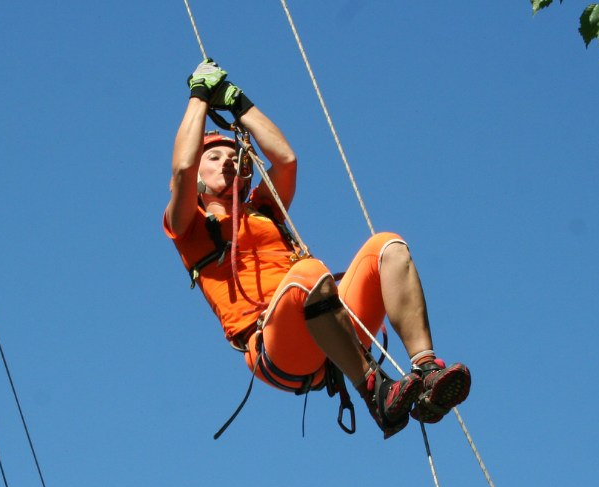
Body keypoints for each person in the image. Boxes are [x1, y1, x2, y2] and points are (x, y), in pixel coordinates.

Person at [164, 59, 471, 438]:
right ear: (198, 174)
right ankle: (376, 391)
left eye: (234, 156)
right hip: (279, 346)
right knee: (308, 274)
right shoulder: (189, 226)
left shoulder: (264, 210)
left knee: (388, 246)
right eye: (214, 157)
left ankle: (426, 371)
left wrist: (239, 103)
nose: (228, 161)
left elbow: (286, 160)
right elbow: (181, 168)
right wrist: (198, 96)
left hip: (327, 319)